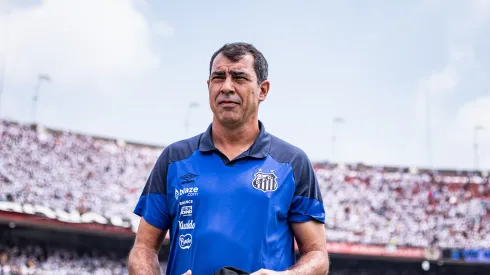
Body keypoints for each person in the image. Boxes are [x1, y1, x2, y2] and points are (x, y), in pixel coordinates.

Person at [128, 42, 329, 275]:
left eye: (239, 78)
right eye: (218, 77)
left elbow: (317, 254)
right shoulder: (174, 158)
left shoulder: (292, 162)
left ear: (262, 90)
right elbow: (143, 247)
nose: (226, 87)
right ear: (208, 86)